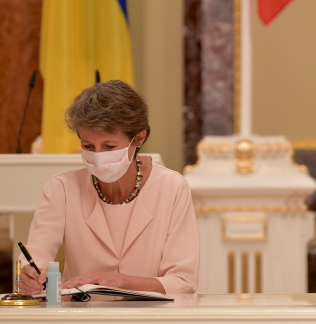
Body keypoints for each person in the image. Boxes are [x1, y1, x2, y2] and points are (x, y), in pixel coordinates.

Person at [19, 80, 199, 295]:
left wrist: (121, 282)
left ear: (139, 138)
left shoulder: (171, 187)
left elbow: (183, 281)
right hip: (82, 311)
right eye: (88, 146)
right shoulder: (62, 188)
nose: (98, 156)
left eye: (109, 146)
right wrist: (30, 274)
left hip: (153, 312)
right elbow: (37, 252)